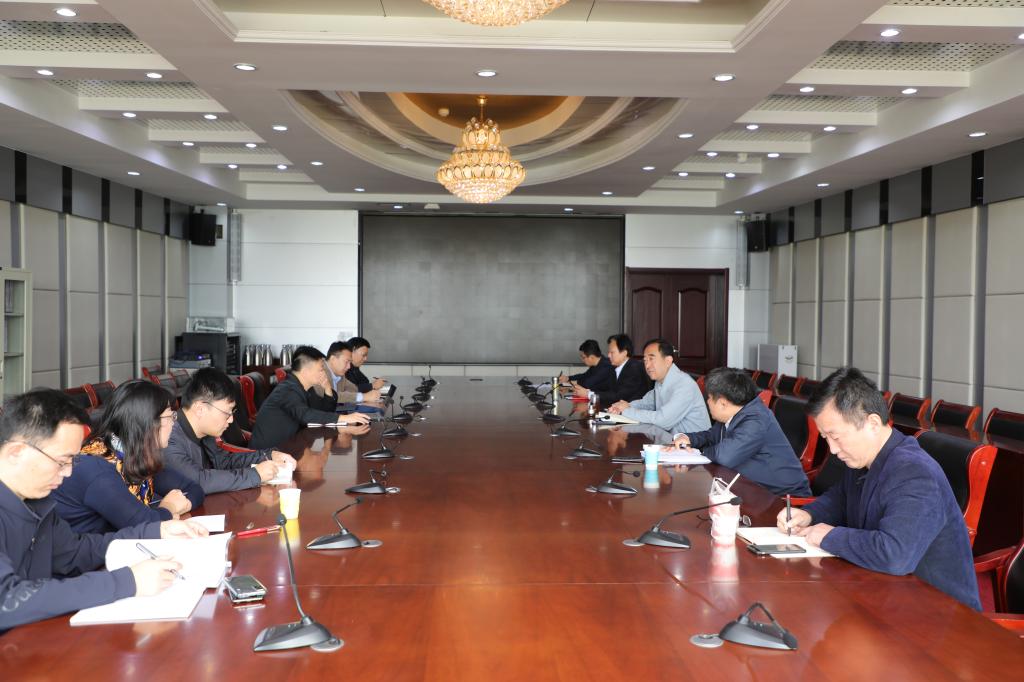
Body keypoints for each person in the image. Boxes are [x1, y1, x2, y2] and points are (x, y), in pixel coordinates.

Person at [0, 389, 208, 633]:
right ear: (16, 453)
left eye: (72, 461)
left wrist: (156, 531)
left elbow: (76, 553)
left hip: (32, 638)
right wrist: (128, 582)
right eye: (61, 461)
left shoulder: (37, 501)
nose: (68, 472)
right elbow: (7, 600)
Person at [776, 367, 981, 610]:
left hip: (938, 613)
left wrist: (829, 536)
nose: (832, 449)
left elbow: (895, 555)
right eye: (825, 438)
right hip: (887, 593)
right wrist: (810, 514)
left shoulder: (914, 472)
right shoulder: (864, 458)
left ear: (872, 423)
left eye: (836, 437)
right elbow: (841, 498)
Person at [52, 381, 205, 534]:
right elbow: (146, 524)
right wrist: (170, 507)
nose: (173, 423)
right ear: (147, 422)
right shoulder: (96, 467)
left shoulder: (136, 455)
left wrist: (175, 508)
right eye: (169, 416)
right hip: (87, 548)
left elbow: (194, 489)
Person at [670, 367, 810, 496]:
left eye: (710, 398)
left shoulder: (756, 420)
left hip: (782, 499)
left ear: (723, 403)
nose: (707, 402)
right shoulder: (734, 413)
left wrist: (695, 454)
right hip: (750, 489)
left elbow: (725, 456)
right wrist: (687, 438)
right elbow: (711, 436)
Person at [162, 367, 297, 494]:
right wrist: (255, 475)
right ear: (200, 409)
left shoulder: (205, 430)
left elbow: (225, 462)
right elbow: (199, 481)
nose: (231, 420)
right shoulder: (167, 436)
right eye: (227, 413)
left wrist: (269, 455)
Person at [250, 346, 371, 450]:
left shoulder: (306, 388)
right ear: (305, 371)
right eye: (321, 369)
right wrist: (344, 418)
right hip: (266, 455)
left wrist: (327, 388)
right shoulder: (287, 390)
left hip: (288, 448)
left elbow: (324, 411)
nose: (324, 373)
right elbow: (306, 415)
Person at [607, 338, 710, 434]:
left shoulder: (684, 385)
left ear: (668, 361)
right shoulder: (661, 381)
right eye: (645, 361)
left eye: (651, 359)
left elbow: (663, 420)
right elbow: (646, 403)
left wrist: (626, 411)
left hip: (693, 445)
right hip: (670, 440)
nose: (647, 366)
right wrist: (625, 406)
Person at [572, 334, 649, 406]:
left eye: (612, 352)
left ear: (624, 353)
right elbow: (605, 388)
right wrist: (587, 391)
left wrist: (588, 394)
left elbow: (619, 396)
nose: (608, 355)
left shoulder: (634, 369)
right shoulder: (615, 368)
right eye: (608, 352)